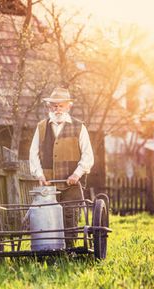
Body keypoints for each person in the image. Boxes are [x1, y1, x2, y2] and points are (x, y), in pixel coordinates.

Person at [29, 87, 94, 247]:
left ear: (68, 107)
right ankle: (50, 248)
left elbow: (88, 155)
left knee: (69, 215)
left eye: (61, 106)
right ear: (49, 107)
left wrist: (77, 174)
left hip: (71, 182)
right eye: (54, 106)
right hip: (48, 184)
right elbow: (33, 153)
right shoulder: (41, 127)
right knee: (48, 214)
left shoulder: (79, 127)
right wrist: (39, 174)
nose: (57, 109)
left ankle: (69, 249)